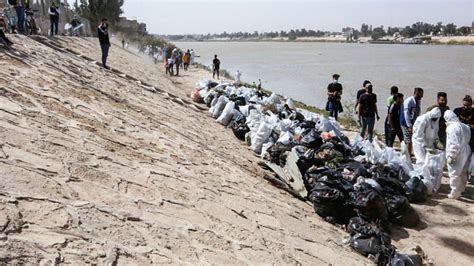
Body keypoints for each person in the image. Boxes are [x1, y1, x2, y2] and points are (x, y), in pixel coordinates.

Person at [444, 110, 472, 199]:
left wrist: (451, 155)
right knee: (463, 171)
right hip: (467, 150)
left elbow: (454, 143)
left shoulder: (451, 127)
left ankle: (455, 192)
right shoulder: (465, 126)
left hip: (458, 152)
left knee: (454, 172)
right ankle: (461, 189)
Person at [453, 95, 474, 181]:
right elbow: (451, 121)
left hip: (472, 137)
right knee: (461, 154)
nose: (466, 107)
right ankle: (461, 171)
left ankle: (471, 173)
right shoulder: (457, 111)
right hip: (461, 137)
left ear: (471, 104)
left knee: (471, 155)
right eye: (464, 105)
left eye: (468, 106)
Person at [400, 87, 424, 155]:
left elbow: (417, 112)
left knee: (411, 139)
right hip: (405, 123)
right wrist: (409, 126)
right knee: (408, 141)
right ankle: (408, 158)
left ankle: (407, 154)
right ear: (416, 93)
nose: (422, 96)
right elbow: (406, 114)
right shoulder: (409, 101)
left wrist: (417, 123)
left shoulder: (418, 101)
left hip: (413, 122)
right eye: (421, 94)